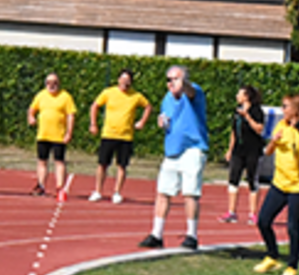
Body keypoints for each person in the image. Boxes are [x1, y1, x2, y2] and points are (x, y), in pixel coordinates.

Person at [253, 93, 299, 275]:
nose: (282, 110)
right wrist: (274, 141)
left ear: (296, 110)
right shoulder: (281, 126)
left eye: (285, 106)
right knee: (263, 221)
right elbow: (268, 152)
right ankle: (272, 256)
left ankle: (292, 266)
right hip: (279, 183)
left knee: (293, 226)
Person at [141, 64, 209, 251]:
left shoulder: (194, 92)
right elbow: (167, 117)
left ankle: (192, 235)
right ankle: (157, 234)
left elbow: (190, 92)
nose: (171, 83)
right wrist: (162, 122)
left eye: (175, 79)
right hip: (172, 150)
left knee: (190, 193)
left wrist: (183, 84)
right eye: (168, 80)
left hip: (192, 149)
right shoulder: (167, 99)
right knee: (163, 192)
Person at [87, 69, 151, 204]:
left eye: (128, 80)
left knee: (122, 165)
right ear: (118, 80)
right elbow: (95, 106)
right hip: (108, 134)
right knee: (102, 164)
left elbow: (148, 106)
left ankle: (117, 192)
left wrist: (142, 122)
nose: (125, 82)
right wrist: (93, 124)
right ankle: (98, 191)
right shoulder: (108, 92)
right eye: (123, 79)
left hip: (126, 136)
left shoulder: (136, 96)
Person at [27, 73, 77, 201]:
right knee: (42, 161)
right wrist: (31, 117)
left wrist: (69, 132)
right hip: (43, 135)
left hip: (58, 136)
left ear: (58, 83)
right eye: (49, 82)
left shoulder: (65, 97)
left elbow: (70, 115)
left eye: (54, 82)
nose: (51, 85)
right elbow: (32, 109)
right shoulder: (41, 95)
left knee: (59, 161)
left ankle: (60, 187)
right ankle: (41, 185)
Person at [220, 85, 265, 223]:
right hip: (238, 150)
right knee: (233, 179)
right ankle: (231, 212)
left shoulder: (257, 111)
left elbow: (259, 129)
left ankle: (253, 214)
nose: (237, 96)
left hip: (253, 150)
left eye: (239, 94)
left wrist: (248, 117)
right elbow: (234, 131)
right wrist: (230, 149)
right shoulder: (237, 111)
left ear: (247, 96)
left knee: (252, 180)